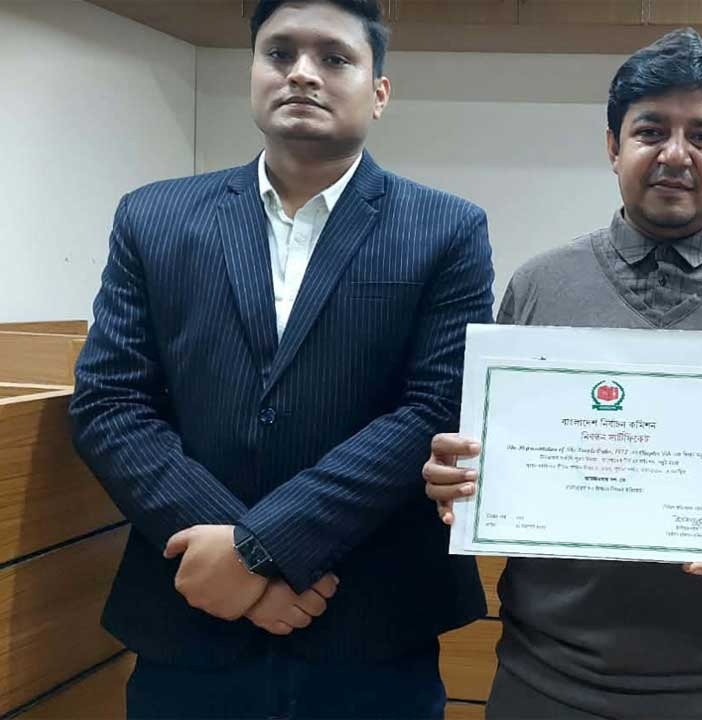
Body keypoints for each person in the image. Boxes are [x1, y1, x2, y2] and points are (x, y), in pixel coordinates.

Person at [423, 28, 702, 719]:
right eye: (650, 131)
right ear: (613, 147)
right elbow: (487, 451)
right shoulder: (538, 287)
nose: (675, 154)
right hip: (549, 683)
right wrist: (456, 473)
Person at [69, 1, 493, 717]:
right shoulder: (154, 216)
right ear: (253, 73)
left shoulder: (447, 228)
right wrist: (231, 559)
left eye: (334, 58)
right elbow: (111, 403)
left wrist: (258, 549)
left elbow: (433, 409)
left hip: (370, 622)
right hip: (191, 620)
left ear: (379, 92)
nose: (302, 73)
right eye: (279, 53)